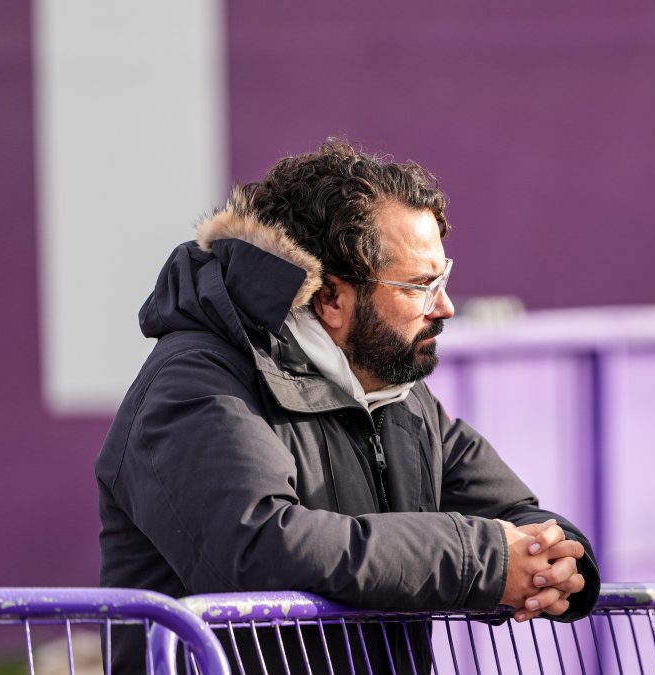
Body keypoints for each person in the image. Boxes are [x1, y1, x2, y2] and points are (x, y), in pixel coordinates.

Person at [96, 139, 600, 672]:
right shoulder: (193, 382)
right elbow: (260, 550)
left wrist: (558, 564)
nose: (446, 307)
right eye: (420, 286)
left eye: (443, 280)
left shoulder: (399, 394)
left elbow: (518, 516)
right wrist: (485, 561)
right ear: (331, 298)